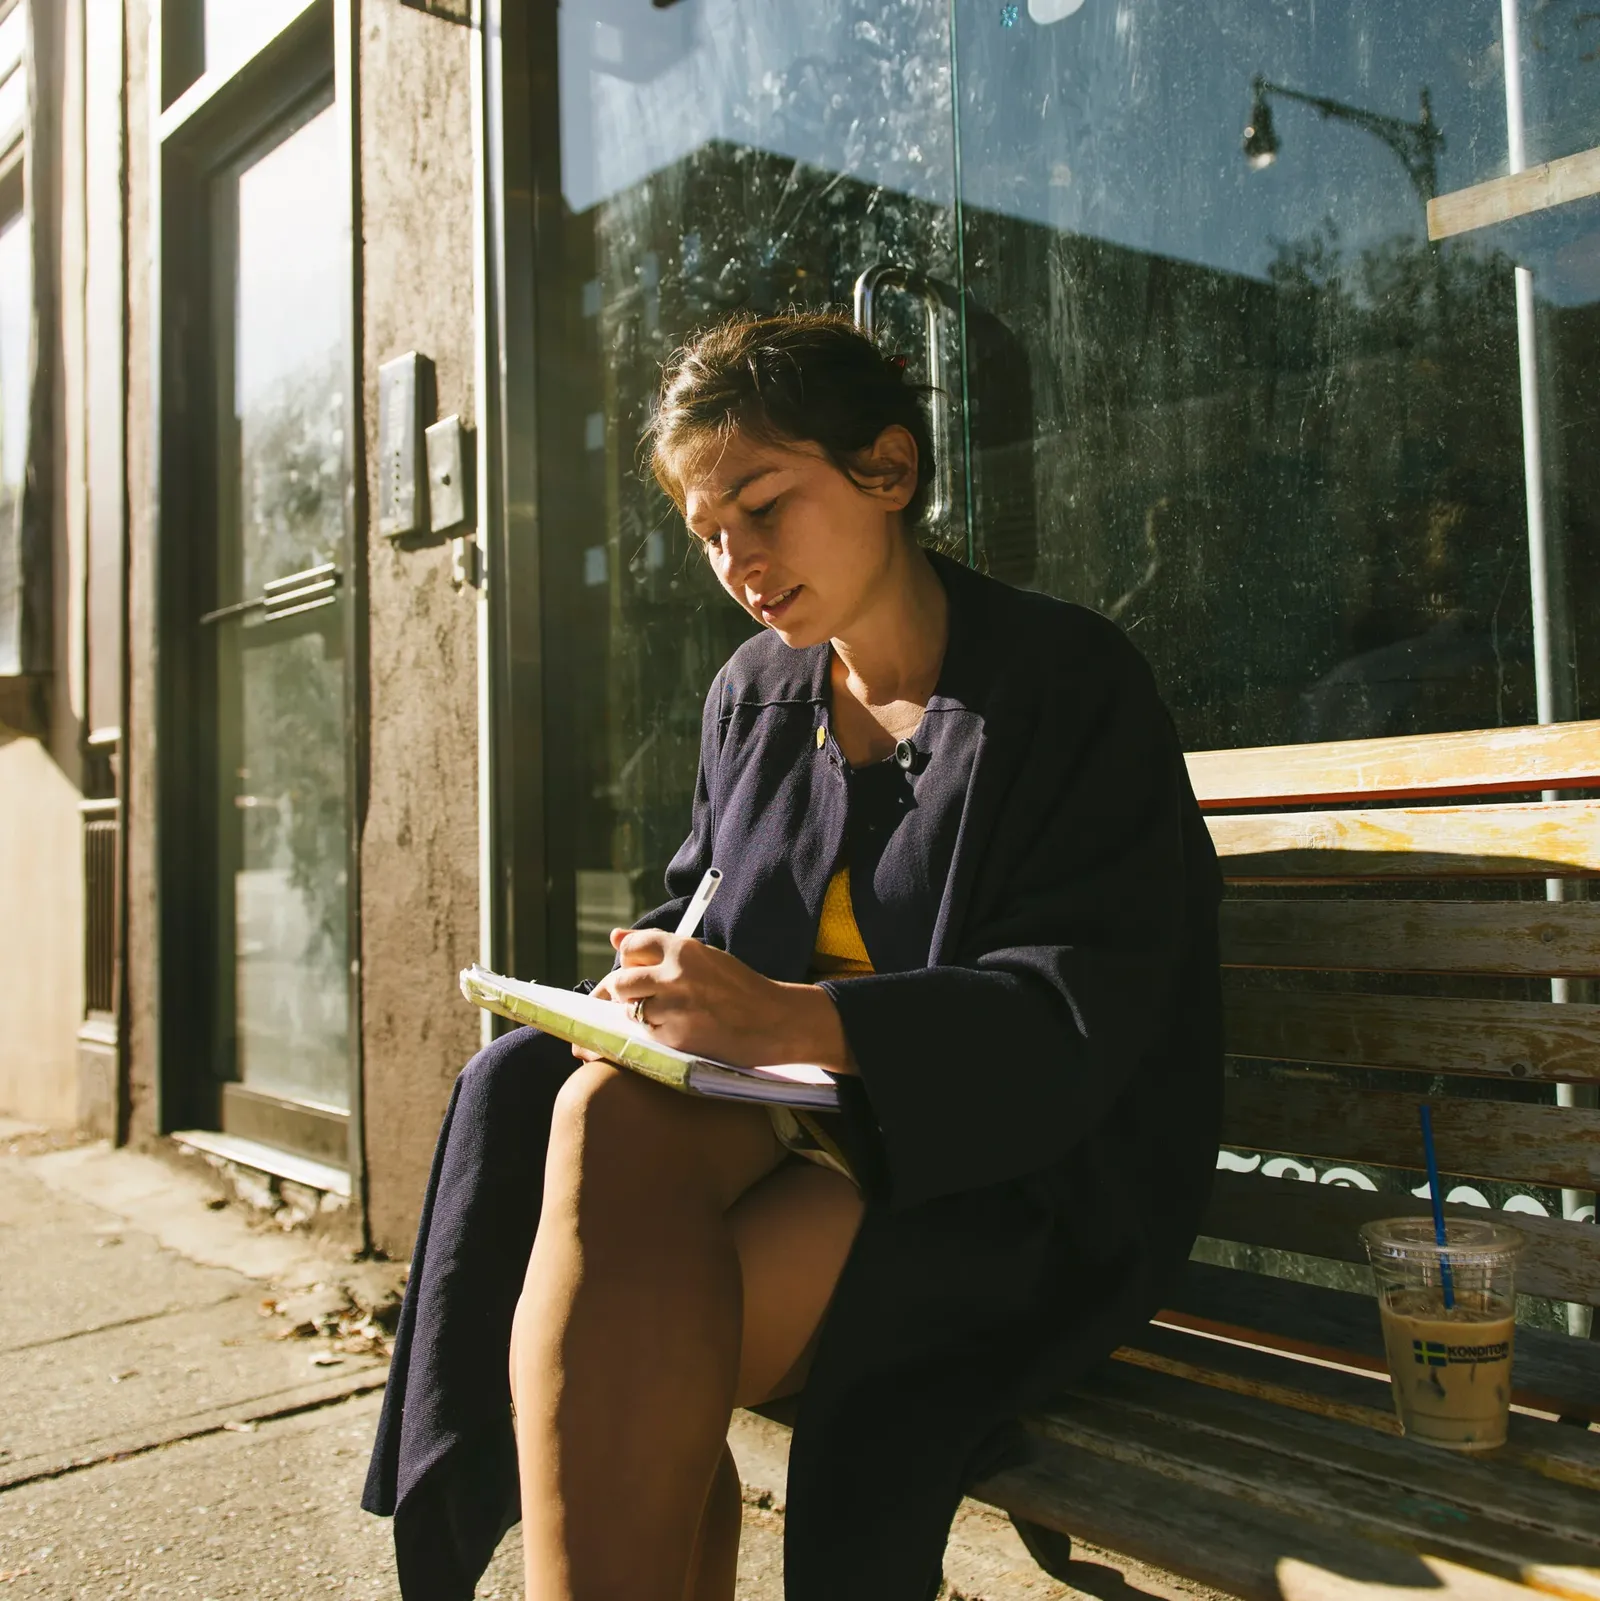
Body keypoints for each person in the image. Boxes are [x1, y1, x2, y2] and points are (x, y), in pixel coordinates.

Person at [362, 311, 1224, 1601]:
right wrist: (662, 988)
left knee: (621, 1336)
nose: (740, 563)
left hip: (1010, 1170)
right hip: (794, 1134)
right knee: (586, 1108)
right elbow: (707, 911)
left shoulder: (1061, 684)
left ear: (887, 471)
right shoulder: (755, 695)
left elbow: (1087, 1007)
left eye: (765, 506)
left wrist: (796, 1023)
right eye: (709, 534)